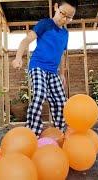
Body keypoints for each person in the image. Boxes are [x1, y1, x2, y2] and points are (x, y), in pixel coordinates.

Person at [12, 0, 78, 136]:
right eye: (62, 14)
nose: (64, 19)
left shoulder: (65, 33)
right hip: (38, 66)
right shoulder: (45, 24)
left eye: (69, 17)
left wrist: (62, 73)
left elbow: (62, 54)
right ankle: (33, 132)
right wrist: (18, 57)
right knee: (40, 94)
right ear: (55, 7)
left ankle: (61, 132)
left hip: (53, 71)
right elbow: (25, 41)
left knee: (61, 100)